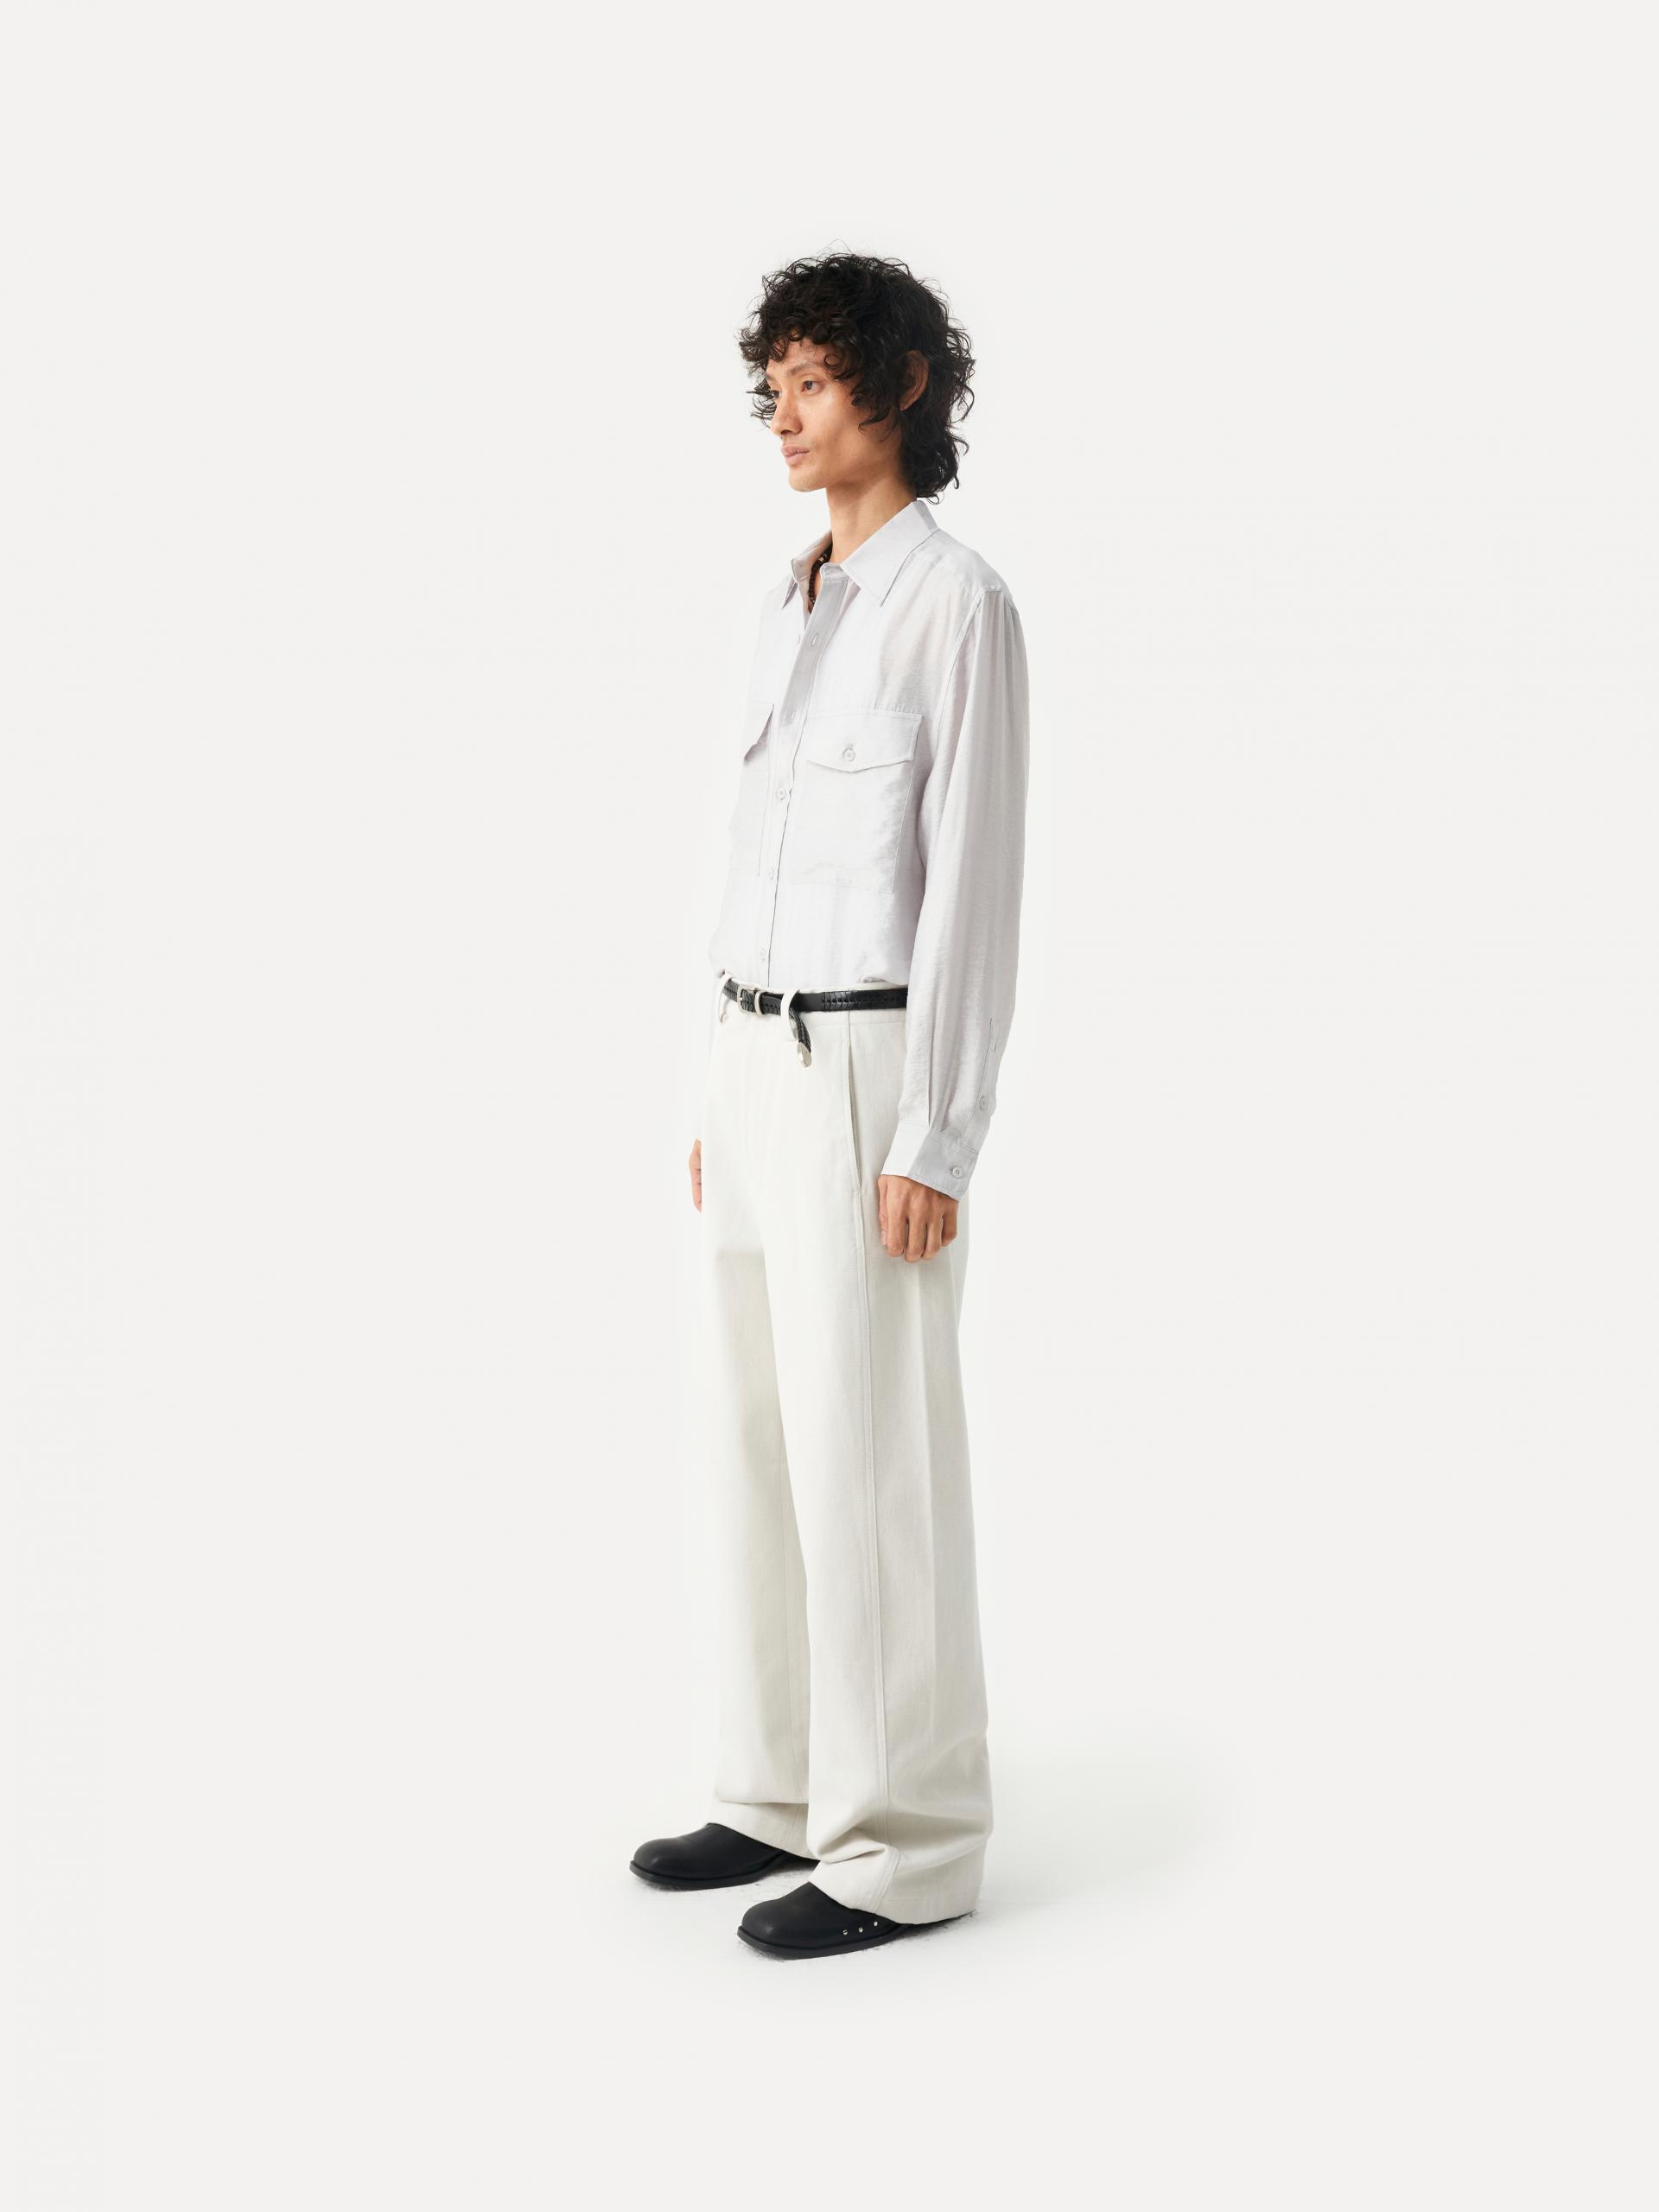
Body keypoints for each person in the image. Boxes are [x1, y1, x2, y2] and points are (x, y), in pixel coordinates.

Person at [632, 251, 1030, 1959]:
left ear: (904, 385)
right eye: (773, 387)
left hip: (870, 1069)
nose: (784, 417)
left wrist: (936, 1130)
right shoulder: (789, 601)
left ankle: (909, 1842)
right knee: (753, 1435)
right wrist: (717, 1082)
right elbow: (761, 857)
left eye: (813, 381)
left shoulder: (959, 607)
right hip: (754, 1059)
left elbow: (973, 888)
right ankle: (777, 1784)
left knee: (871, 1455)